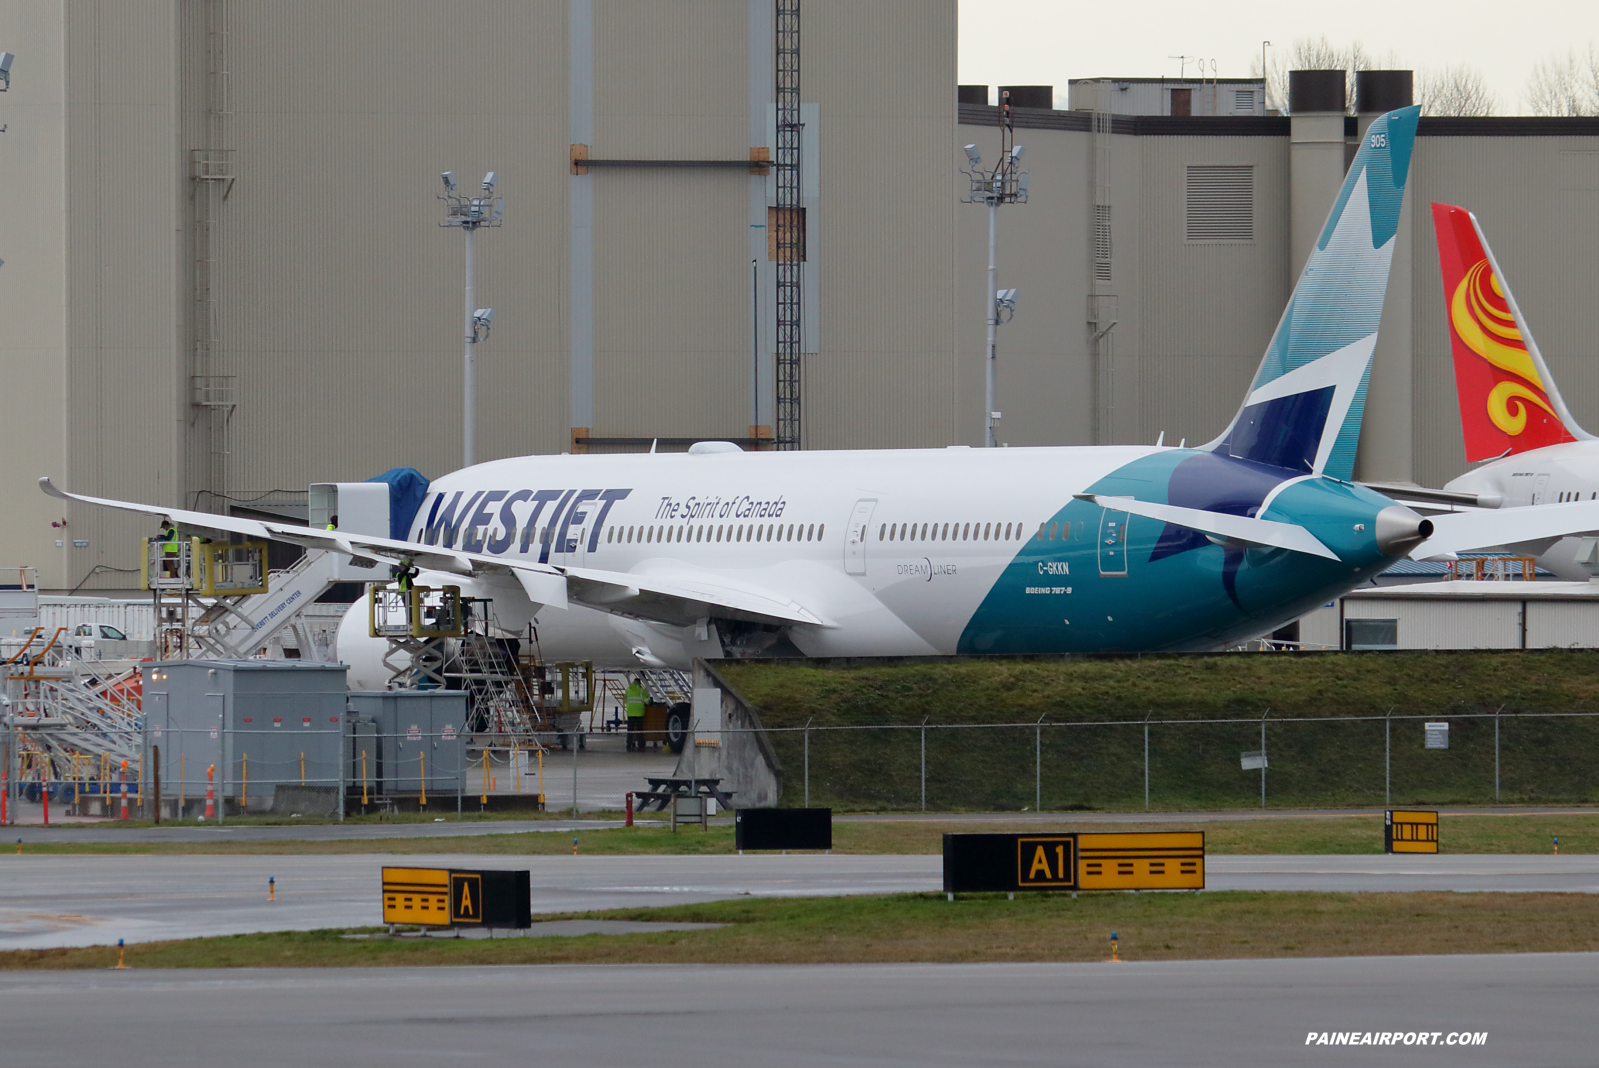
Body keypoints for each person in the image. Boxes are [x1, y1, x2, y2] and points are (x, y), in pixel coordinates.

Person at [625, 677, 647, 751]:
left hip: (630, 712)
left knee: (630, 729)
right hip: (639, 712)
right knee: (639, 729)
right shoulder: (642, 691)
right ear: (640, 683)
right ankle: (641, 744)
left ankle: (629, 744)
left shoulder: (628, 690)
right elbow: (647, 701)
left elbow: (625, 699)